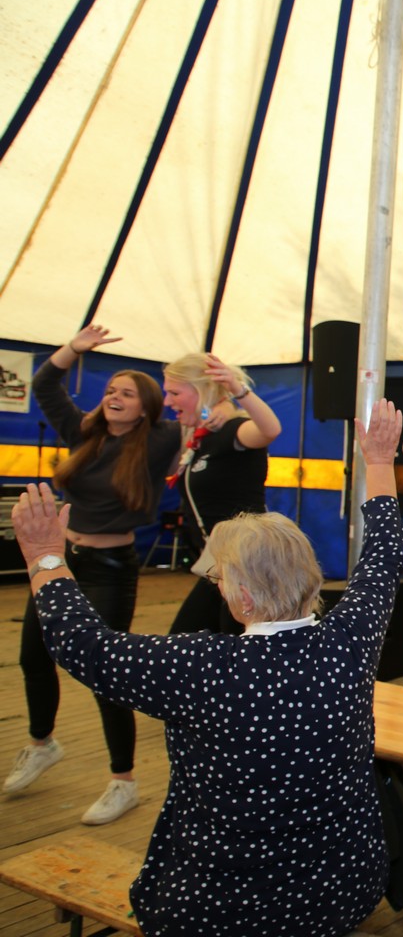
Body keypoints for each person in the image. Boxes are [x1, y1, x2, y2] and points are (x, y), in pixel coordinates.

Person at [11, 399, 403, 937]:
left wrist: (44, 556)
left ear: (243, 597)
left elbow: (83, 645)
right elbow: (384, 554)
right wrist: (379, 461)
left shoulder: (202, 666)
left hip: (220, 908)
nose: (215, 585)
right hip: (342, 888)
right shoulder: (349, 639)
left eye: (219, 577)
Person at [5, 325, 182, 825]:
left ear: (146, 408)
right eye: (109, 390)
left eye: (126, 393)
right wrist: (72, 349)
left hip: (110, 570)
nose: (113, 397)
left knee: (106, 674)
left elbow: (193, 414)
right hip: (61, 562)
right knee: (34, 657)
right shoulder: (84, 434)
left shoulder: (157, 441)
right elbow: (44, 385)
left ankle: (124, 781)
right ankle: (42, 743)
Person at [162, 351, 281, 635]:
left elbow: (270, 429)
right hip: (219, 568)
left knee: (225, 644)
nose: (167, 401)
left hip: (247, 567)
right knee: (187, 644)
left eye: (174, 393)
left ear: (201, 390)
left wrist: (238, 392)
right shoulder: (200, 437)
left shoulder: (233, 431)